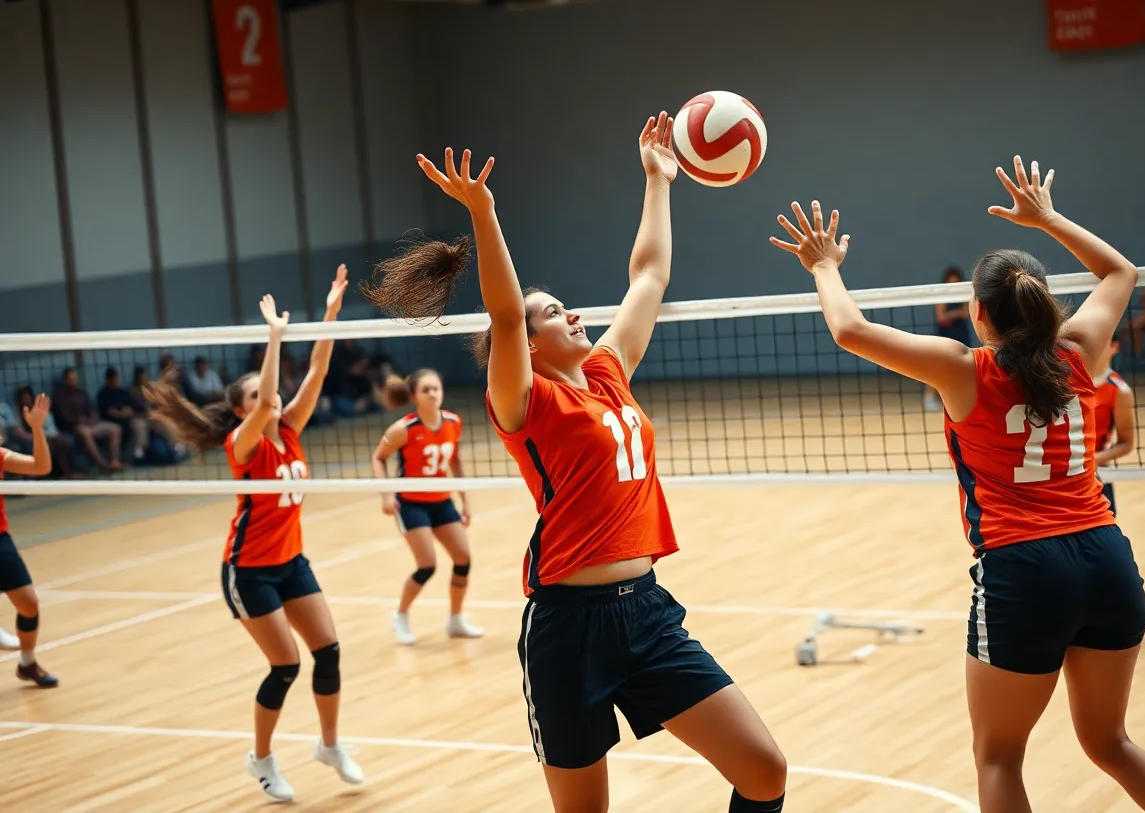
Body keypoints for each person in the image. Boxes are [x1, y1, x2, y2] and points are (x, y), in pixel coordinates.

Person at [364, 115, 787, 813]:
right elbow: (504, 315)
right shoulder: (524, 403)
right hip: (568, 630)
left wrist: (658, 182)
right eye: (554, 312)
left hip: (648, 615)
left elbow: (649, 274)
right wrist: (485, 213)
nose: (572, 315)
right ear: (529, 347)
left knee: (763, 769)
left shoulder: (608, 372)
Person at [769, 157, 1145, 813]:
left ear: (978, 312)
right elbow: (1120, 272)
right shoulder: (1079, 350)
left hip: (1025, 570)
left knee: (998, 756)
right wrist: (1049, 217)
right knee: (1111, 744)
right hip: (1108, 558)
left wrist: (824, 265)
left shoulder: (962, 368)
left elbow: (849, 330)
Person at [147, 266, 363, 803]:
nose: (269, 397)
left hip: (292, 561)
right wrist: (272, 336)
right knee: (286, 664)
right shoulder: (244, 447)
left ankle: (330, 745)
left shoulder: (288, 432)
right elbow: (269, 399)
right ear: (243, 411)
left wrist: (331, 311)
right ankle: (261, 759)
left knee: (329, 651)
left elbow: (316, 368)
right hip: (249, 571)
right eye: (256, 396)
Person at [372, 369, 481, 645]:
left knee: (463, 559)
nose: (433, 393)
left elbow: (455, 460)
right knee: (427, 565)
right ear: (414, 396)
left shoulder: (453, 422)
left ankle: (456, 620)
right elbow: (378, 458)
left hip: (442, 500)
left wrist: (465, 500)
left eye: (436, 388)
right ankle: (400, 616)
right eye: (426, 390)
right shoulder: (404, 429)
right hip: (411, 504)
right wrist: (386, 496)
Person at [0, 393, 59, 687]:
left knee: (29, 605)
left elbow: (40, 467)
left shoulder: (0, 456)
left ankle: (27, 663)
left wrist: (37, 429)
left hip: (0, 539)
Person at [1091, 336, 1135, 517]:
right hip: (1061, 472)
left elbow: (1126, 443)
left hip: (1097, 473)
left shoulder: (1119, 390)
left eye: (1103, 341)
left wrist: (1094, 459)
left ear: (1114, 347)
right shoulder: (1065, 381)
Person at [52, 368, 123, 471]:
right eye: (71, 378)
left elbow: (92, 409)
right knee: (85, 432)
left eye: (75, 378)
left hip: (90, 424)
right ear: (65, 380)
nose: (74, 381)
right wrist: (81, 420)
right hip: (74, 427)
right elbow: (65, 417)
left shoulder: (81, 393)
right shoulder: (59, 396)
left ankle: (114, 462)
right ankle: (101, 463)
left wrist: (93, 418)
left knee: (115, 428)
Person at [925, 266, 972, 410]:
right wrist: (957, 313)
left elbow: (967, 313)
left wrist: (954, 314)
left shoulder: (964, 296)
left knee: (964, 369)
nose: (953, 286)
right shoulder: (941, 297)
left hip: (961, 335)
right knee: (936, 368)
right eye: (950, 283)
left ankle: (963, 400)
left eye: (956, 283)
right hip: (944, 336)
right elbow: (942, 318)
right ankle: (929, 399)